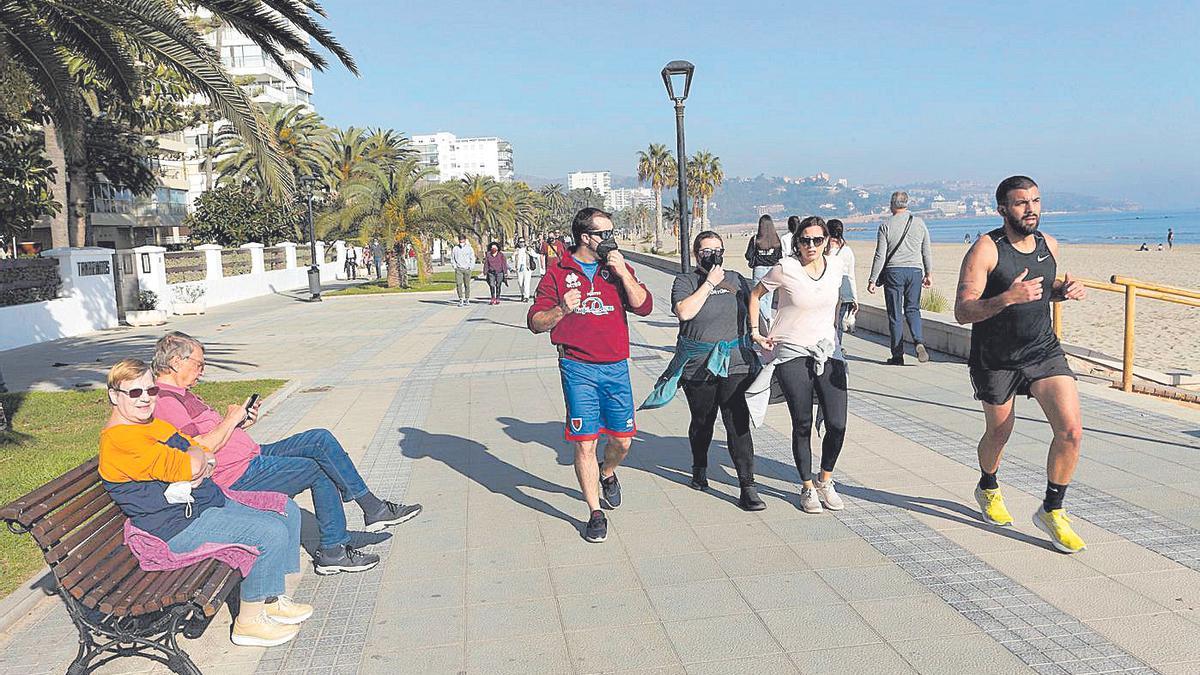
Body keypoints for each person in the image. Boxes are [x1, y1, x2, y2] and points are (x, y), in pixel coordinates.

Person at [152, 332, 422, 575]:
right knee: (318, 468)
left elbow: (214, 434)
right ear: (176, 362)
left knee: (319, 438)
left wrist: (241, 421)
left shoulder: (184, 393)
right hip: (235, 476)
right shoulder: (166, 401)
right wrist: (230, 421)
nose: (202, 370)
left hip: (252, 456)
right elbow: (199, 447)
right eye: (199, 363)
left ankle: (368, 513)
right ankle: (336, 547)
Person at [100, 358, 310, 647]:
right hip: (174, 527)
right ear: (114, 395)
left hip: (202, 503)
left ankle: (270, 598)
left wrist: (197, 460)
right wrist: (196, 463)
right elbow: (192, 464)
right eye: (135, 393)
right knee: (269, 532)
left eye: (151, 390)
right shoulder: (122, 441)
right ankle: (248, 623)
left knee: (285, 509)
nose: (146, 398)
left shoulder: (149, 425)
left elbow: (194, 448)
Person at [954, 176, 1088, 553]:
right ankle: (988, 485)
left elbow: (1042, 291)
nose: (1030, 209)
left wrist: (1062, 292)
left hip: (1042, 351)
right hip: (995, 359)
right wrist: (1006, 298)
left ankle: (1052, 509)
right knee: (999, 432)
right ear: (1002, 210)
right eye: (1020, 203)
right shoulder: (985, 249)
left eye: (1035, 201)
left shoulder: (1049, 246)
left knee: (1072, 431)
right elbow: (963, 311)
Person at [527, 207, 652, 543]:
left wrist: (624, 272)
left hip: (616, 367)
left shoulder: (615, 269)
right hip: (577, 368)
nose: (611, 240)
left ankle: (607, 472)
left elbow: (644, 306)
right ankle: (594, 513)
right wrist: (562, 309)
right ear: (586, 237)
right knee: (585, 443)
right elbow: (535, 323)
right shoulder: (557, 272)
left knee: (622, 441)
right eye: (605, 234)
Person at [642, 231, 765, 511]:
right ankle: (699, 467)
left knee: (738, 423)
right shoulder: (685, 280)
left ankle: (748, 486)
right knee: (703, 420)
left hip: (736, 362)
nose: (713, 255)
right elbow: (684, 312)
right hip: (698, 366)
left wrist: (761, 337)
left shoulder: (736, 280)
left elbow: (753, 311)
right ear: (697, 254)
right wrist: (709, 283)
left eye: (717, 250)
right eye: (706, 251)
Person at [746, 216, 848, 514]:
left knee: (837, 423)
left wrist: (833, 331)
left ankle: (825, 480)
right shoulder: (786, 268)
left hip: (829, 352)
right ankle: (806, 486)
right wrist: (756, 332)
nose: (812, 246)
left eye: (818, 240)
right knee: (802, 423)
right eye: (806, 240)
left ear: (828, 241)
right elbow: (755, 295)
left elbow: (836, 303)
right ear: (797, 243)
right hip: (791, 352)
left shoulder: (837, 267)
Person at [867, 191, 933, 365]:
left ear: (891, 204)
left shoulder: (885, 225)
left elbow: (880, 255)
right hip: (915, 272)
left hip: (893, 272)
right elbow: (926, 250)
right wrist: (929, 273)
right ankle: (918, 341)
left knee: (895, 314)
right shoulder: (919, 223)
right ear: (907, 203)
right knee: (913, 309)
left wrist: (873, 279)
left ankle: (897, 355)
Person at [744, 215, 783, 332]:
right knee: (768, 296)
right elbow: (779, 256)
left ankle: (767, 318)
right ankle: (768, 318)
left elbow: (748, 255)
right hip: (772, 269)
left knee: (757, 296)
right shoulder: (776, 239)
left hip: (759, 268)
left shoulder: (755, 239)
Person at [827, 219, 859, 338]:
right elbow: (851, 275)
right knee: (839, 322)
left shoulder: (824, 250)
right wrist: (854, 297)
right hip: (844, 289)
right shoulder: (847, 250)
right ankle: (837, 347)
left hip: (828, 288)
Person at [450, 235, 476, 307]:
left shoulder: (469, 248)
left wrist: (471, 267)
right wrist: (455, 267)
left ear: (465, 240)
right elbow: (452, 258)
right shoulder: (455, 248)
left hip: (467, 269)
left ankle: (467, 299)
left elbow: (472, 258)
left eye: (462, 240)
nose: (461, 241)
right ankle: (460, 299)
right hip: (459, 269)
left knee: (467, 285)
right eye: (460, 240)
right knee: (459, 284)